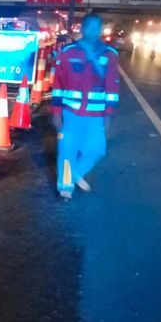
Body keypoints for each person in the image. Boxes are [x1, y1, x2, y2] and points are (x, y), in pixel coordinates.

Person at [51, 13, 120, 199]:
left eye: (97, 27)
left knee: (97, 150)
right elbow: (58, 84)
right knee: (67, 151)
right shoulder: (68, 52)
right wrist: (57, 112)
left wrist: (108, 115)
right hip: (70, 113)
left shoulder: (110, 54)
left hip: (96, 115)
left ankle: (73, 174)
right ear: (82, 28)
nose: (93, 31)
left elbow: (112, 87)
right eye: (89, 26)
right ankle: (65, 187)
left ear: (100, 29)